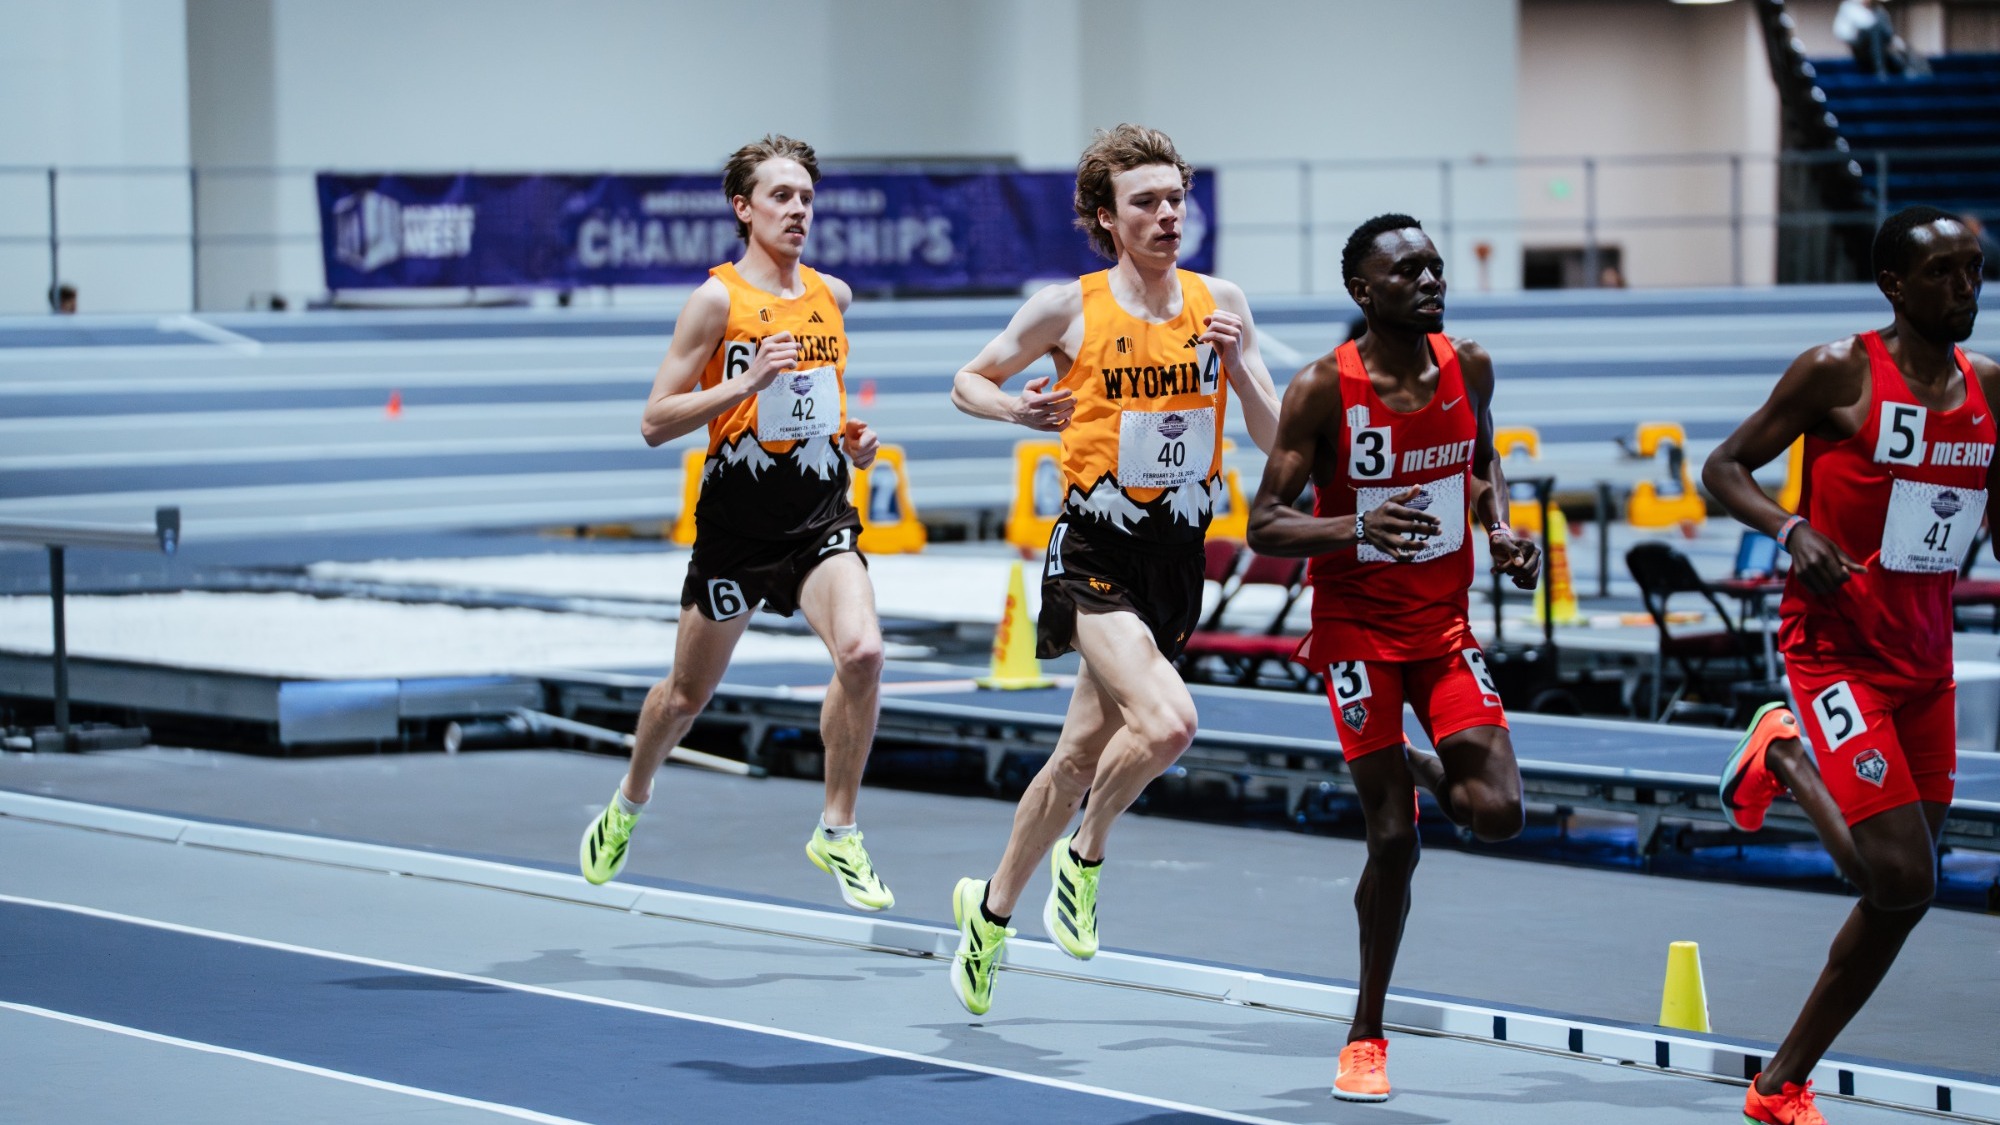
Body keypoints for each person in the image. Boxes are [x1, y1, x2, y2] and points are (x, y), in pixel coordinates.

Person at [944, 123, 1281, 1016]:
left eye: (1176, 199)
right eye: (1147, 202)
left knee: (1077, 753)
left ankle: (990, 914)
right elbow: (965, 380)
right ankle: (1085, 853)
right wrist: (1019, 409)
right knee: (1169, 725)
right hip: (1093, 551)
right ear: (1108, 216)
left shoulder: (1222, 299)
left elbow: (1277, 439)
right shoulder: (1070, 306)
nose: (1169, 215)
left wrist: (1241, 369)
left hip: (1176, 557)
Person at [1704, 206, 1996, 1125]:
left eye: (1975, 270)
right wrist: (1791, 530)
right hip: (1835, 654)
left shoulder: (1991, 387)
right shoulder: (1839, 370)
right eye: (1944, 272)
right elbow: (1724, 466)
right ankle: (1783, 750)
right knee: (1904, 877)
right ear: (1894, 288)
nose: (1965, 287)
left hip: (1926, 659)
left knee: (1903, 894)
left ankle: (1778, 1082)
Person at [1245, 213, 1541, 1103]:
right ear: (1363, 291)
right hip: (1358, 633)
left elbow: (1480, 460)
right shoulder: (1320, 391)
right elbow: (1264, 523)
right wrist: (1355, 526)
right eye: (1407, 270)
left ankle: (1408, 757)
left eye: (1435, 266)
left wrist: (1499, 527)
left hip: (1444, 628)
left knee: (1498, 815)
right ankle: (1366, 1033)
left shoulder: (1471, 365)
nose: (1429, 280)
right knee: (1393, 838)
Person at [577, 134, 896, 913]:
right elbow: (655, 420)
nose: (798, 210)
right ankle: (629, 798)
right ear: (743, 207)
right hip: (738, 526)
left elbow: (816, 412)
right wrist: (744, 381)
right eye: (781, 196)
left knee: (863, 650)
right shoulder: (716, 301)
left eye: (807, 198)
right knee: (686, 697)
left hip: (820, 513)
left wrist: (854, 444)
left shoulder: (834, 296)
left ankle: (838, 826)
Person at [1834, 0, 1898, 78]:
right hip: (1861, 47)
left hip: (1882, 47)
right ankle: (1880, 70)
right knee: (1874, 31)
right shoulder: (1849, 7)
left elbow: (1889, 33)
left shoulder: (1879, 11)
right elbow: (1842, 32)